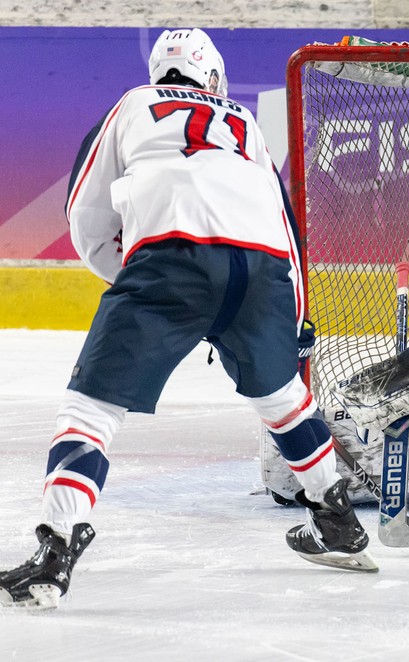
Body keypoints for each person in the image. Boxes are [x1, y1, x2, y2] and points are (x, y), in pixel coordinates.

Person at [0, 28, 375, 609]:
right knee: (282, 400)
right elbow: (286, 226)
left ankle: (56, 551)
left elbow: (85, 212)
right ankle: (338, 518)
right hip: (264, 269)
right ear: (214, 78)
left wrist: (131, 277)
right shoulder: (246, 124)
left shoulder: (132, 103)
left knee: (90, 408)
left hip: (171, 261)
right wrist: (296, 317)